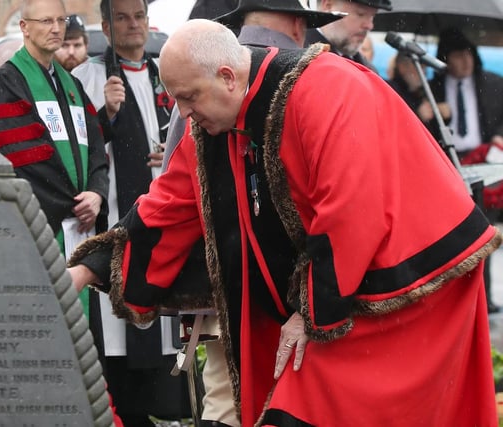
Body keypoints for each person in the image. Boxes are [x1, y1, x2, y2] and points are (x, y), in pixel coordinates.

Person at [68, 19, 502, 427]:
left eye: (188, 98)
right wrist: (87, 269)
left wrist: (307, 315)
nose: (183, 114)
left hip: (414, 278)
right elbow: (169, 202)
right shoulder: (218, 115)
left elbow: (351, 210)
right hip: (342, 276)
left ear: (226, 76)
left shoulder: (327, 89)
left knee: (319, 401)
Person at [162, 1, 341, 426]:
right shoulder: (298, 76)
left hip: (246, 284)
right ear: (299, 25)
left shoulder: (209, 72)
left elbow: (173, 190)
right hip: (282, 285)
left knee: (231, 398)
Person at [72, 0, 190, 425]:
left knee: (160, 332)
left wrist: (167, 152)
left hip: (163, 216)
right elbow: (78, 146)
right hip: (115, 216)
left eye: (138, 16)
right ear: (106, 25)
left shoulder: (166, 73)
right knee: (116, 336)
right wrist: (107, 115)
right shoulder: (86, 77)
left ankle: (164, 406)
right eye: (121, 17)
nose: (132, 25)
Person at [0, 0, 109, 320]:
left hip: (81, 226)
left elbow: (96, 148)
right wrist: (72, 203)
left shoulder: (73, 86)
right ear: (24, 27)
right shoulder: (6, 83)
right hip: (39, 227)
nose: (56, 29)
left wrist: (96, 193)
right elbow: (20, 158)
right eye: (46, 21)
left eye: (61, 21)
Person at [430, 27, 503, 314]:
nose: (464, 62)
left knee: (483, 230)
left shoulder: (493, 84)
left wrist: (499, 135)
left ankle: (484, 297)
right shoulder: (432, 86)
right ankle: (451, 299)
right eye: (457, 56)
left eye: (468, 54)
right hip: (447, 163)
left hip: (483, 161)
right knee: (450, 233)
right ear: (444, 59)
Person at [304, 0, 392, 70]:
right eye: (360, 14)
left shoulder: (368, 69)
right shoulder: (301, 61)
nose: (369, 25)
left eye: (372, 16)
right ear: (328, 6)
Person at [387, 51, 451, 138]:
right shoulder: (390, 90)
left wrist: (443, 115)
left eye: (424, 68)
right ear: (402, 67)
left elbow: (435, 131)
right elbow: (391, 125)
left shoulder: (425, 91)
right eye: (417, 66)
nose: (423, 72)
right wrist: (417, 116)